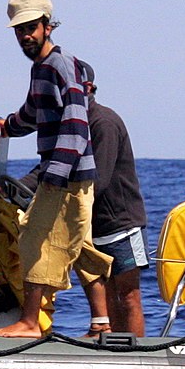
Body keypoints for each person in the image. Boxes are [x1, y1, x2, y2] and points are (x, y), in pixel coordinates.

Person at [0, 0, 97, 338]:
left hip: (66, 175)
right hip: (67, 173)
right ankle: (103, 323)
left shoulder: (59, 65)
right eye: (20, 30)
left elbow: (76, 122)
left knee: (34, 239)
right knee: (79, 246)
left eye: (31, 27)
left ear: (47, 27)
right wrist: (9, 125)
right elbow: (34, 113)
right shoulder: (42, 68)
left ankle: (30, 322)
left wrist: (56, 173)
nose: (26, 35)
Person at [78, 76, 148, 336]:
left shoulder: (103, 122)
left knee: (128, 295)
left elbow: (100, 179)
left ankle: (136, 353)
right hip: (93, 226)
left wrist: (66, 206)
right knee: (106, 296)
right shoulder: (73, 126)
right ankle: (113, 345)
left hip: (121, 225)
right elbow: (53, 164)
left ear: (88, 89)